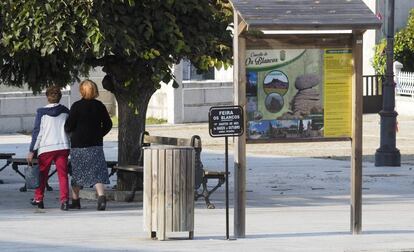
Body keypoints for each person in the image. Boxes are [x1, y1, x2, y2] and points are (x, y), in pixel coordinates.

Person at [65, 79, 112, 211]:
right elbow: (108, 124)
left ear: (82, 91)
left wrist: (73, 133)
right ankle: (101, 197)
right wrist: (99, 134)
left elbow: (68, 126)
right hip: (95, 144)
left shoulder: (76, 106)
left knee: (77, 172)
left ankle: (75, 200)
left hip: (79, 145)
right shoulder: (100, 106)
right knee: (97, 171)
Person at [27, 86, 70, 210]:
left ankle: (39, 199)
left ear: (47, 97)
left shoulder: (41, 112)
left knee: (42, 175)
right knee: (63, 175)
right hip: (62, 146)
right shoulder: (66, 111)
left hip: (46, 148)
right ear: (60, 97)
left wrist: (32, 150)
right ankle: (65, 201)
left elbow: (37, 132)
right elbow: (69, 129)